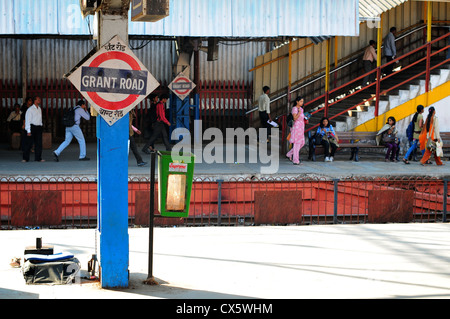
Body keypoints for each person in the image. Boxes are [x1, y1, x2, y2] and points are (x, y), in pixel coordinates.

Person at [286, 97, 307, 165]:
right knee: (297, 144)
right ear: (297, 102)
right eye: (300, 101)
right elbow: (294, 118)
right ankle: (296, 160)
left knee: (302, 143)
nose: (302, 102)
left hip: (301, 127)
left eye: (302, 101)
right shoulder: (295, 108)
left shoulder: (301, 109)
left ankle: (289, 154)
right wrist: (299, 113)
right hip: (296, 127)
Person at [22, 96, 44, 162]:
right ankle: (25, 158)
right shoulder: (30, 109)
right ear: (35, 101)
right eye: (38, 99)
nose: (39, 100)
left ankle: (38, 158)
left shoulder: (39, 108)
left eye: (39, 99)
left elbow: (40, 119)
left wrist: (41, 125)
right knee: (28, 143)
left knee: (39, 144)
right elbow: (28, 120)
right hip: (32, 127)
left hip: (38, 127)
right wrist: (28, 130)